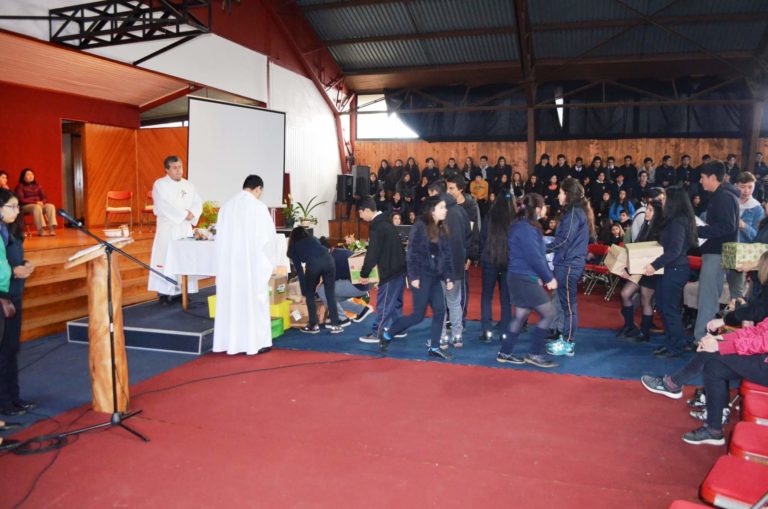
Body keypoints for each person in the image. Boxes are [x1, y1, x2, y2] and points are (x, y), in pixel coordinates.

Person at [380, 196, 454, 360]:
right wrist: (413, 276)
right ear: (433, 210)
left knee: (440, 311)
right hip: (421, 276)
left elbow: (447, 255)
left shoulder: (441, 228)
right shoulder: (420, 226)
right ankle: (388, 334)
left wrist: (449, 277)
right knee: (418, 316)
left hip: (435, 277)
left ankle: (434, 347)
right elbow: (412, 252)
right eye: (442, 207)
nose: (446, 210)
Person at [213, 175, 281, 355]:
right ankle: (256, 343)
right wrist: (272, 262)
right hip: (251, 265)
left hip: (230, 265)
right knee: (254, 302)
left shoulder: (226, 208)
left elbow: (218, 240)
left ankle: (228, 342)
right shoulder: (258, 207)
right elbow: (268, 239)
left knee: (232, 301)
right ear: (258, 189)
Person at [496, 193, 558, 368]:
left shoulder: (523, 226)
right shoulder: (526, 228)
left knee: (521, 315)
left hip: (520, 276)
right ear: (537, 209)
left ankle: (505, 352)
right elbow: (534, 257)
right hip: (523, 278)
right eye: (544, 205)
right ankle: (535, 353)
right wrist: (548, 278)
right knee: (549, 313)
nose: (546, 208)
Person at [644, 186, 698, 358]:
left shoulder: (679, 221)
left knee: (669, 309)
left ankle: (676, 346)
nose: (664, 199)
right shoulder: (673, 218)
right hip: (668, 269)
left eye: (666, 196)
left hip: (674, 269)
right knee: (662, 306)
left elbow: (674, 250)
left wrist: (654, 265)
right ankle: (672, 341)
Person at [693, 160, 740, 343]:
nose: (701, 181)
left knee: (708, 298)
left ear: (713, 177)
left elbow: (727, 226)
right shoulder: (724, 196)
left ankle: (702, 338)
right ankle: (705, 336)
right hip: (717, 252)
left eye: (703, 178)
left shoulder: (723, 197)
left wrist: (700, 230)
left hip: (716, 253)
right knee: (710, 296)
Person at [546, 178, 594, 357]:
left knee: (568, 306)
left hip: (568, 264)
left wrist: (545, 247)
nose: (558, 195)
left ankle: (568, 342)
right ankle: (565, 339)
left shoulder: (574, 212)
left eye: (560, 192)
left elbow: (565, 239)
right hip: (567, 263)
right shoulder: (575, 211)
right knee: (566, 304)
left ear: (567, 194)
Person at [148, 156, 202, 304]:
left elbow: (197, 203)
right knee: (165, 258)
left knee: (183, 258)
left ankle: (182, 291)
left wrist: (193, 213)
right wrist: (185, 214)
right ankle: (164, 293)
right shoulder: (160, 184)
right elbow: (164, 205)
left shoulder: (189, 185)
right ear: (167, 169)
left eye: (180, 167)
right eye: (175, 168)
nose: (179, 170)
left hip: (184, 228)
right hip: (168, 227)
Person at [357, 196, 407, 343]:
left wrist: (364, 273)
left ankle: (377, 332)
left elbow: (373, 253)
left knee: (385, 302)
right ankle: (399, 328)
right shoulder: (386, 221)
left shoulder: (378, 226)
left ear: (366, 211)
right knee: (396, 301)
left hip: (390, 269)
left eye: (360, 214)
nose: (360, 217)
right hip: (400, 266)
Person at [0, 189, 32, 416]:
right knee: (3, 352)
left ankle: (14, 397)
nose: (17, 210)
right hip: (3, 297)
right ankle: (4, 403)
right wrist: (14, 270)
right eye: (11, 206)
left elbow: (13, 259)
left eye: (17, 206)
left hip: (14, 295)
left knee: (12, 350)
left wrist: (25, 265)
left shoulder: (10, 229)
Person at [617, 196, 663, 342]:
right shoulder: (646, 225)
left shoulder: (660, 229)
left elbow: (657, 252)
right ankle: (630, 326)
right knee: (625, 293)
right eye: (647, 209)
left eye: (650, 210)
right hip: (640, 269)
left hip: (651, 270)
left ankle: (645, 333)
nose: (646, 212)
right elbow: (637, 247)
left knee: (645, 300)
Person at [288, 227, 344, 334]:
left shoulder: (293, 248)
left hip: (314, 265)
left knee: (310, 295)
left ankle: (313, 325)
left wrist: (305, 291)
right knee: (330, 294)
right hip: (329, 261)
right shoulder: (313, 238)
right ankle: (336, 325)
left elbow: (299, 271)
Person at [725, 172, 765, 306]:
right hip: (724, 248)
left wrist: (744, 226)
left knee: (737, 293)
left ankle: (735, 320)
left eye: (750, 187)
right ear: (736, 185)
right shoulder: (730, 201)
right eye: (743, 187)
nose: (746, 191)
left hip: (743, 253)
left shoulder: (757, 208)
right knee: (717, 287)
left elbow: (758, 238)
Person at [479, 193, 514, 342]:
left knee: (487, 296)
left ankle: (486, 331)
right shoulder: (515, 220)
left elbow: (482, 238)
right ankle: (505, 332)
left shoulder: (489, 217)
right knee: (506, 298)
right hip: (508, 262)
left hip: (490, 260)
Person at [317, 237, 371, 323]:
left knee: (322, 290)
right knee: (332, 298)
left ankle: (341, 319)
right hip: (363, 285)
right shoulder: (337, 252)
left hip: (357, 285)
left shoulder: (331, 258)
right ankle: (361, 310)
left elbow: (328, 281)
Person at [15, 168, 57, 237]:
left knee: (50, 206)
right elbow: (21, 199)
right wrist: (35, 202)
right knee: (36, 207)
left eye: (32, 174)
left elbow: (44, 197)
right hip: (26, 206)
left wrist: (42, 202)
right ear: (23, 177)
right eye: (28, 174)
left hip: (38, 204)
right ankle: (41, 230)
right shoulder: (20, 186)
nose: (31, 176)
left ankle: (52, 229)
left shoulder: (38, 185)